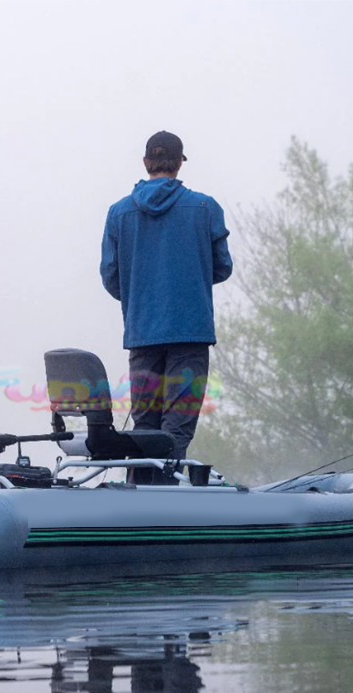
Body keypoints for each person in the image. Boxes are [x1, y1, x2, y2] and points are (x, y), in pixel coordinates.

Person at [100, 131, 233, 461]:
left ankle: (140, 490)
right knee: (177, 429)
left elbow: (111, 276)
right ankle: (167, 489)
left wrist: (140, 296)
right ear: (179, 164)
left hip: (142, 334)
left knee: (144, 428)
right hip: (191, 334)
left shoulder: (118, 213)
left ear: (146, 162)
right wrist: (190, 283)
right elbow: (223, 267)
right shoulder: (205, 208)